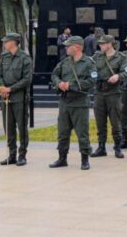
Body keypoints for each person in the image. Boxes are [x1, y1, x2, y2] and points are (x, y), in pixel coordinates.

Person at [49, 36, 97, 170]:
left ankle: (85, 159)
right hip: (65, 102)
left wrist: (72, 85)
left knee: (82, 133)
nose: (65, 48)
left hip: (79, 103)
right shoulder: (64, 62)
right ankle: (62, 158)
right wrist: (59, 83)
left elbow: (91, 81)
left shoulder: (89, 63)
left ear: (76, 47)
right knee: (62, 132)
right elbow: (54, 75)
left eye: (68, 46)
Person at [0, 33, 33, 166]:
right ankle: (12, 154)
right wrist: (2, 88)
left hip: (19, 98)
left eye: (6, 41)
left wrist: (10, 89)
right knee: (8, 127)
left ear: (13, 42)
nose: (4, 43)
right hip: (6, 98)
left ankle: (22, 155)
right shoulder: (4, 57)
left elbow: (27, 79)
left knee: (22, 128)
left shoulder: (25, 58)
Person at [91, 34, 127, 159]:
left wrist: (118, 76)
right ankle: (101, 147)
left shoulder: (121, 57)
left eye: (102, 43)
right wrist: (94, 76)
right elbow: (90, 69)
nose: (100, 45)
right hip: (99, 92)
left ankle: (117, 147)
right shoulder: (96, 56)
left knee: (115, 122)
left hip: (113, 93)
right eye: (100, 43)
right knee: (100, 121)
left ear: (110, 44)